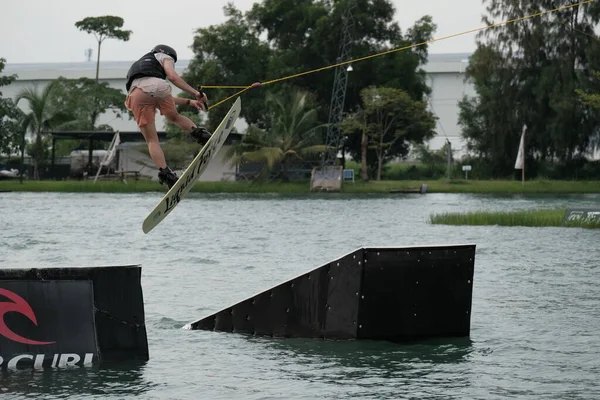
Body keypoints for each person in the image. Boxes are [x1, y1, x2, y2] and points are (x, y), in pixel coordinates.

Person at [124, 44, 211, 189]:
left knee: (152, 140)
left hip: (136, 95)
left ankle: (167, 175)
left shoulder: (137, 66)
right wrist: (194, 93)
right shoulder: (164, 56)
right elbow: (172, 77)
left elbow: (148, 91)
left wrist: (189, 102)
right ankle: (202, 136)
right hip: (159, 87)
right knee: (174, 117)